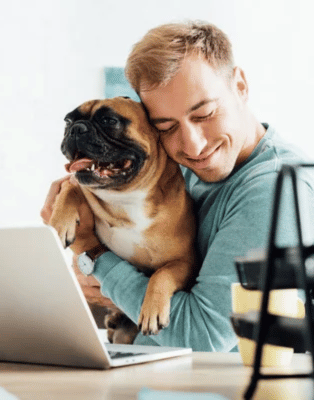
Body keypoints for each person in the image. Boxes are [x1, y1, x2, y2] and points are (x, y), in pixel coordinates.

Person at [41, 20, 314, 352]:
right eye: (166, 127)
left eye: (204, 115)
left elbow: (202, 339)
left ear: (240, 86)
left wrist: (91, 252)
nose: (193, 145)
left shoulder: (275, 189)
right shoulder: (179, 167)